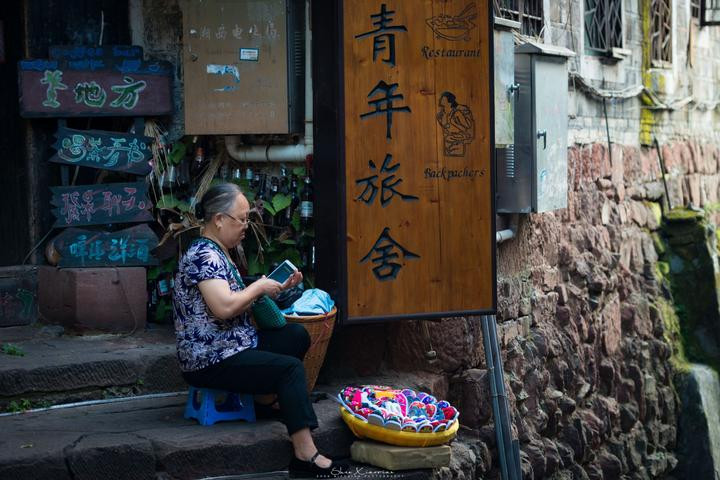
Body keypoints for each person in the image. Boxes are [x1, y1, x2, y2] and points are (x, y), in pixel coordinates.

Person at [172, 183, 340, 478]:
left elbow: (239, 304)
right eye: (242, 219)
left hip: (232, 344)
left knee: (296, 335)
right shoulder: (204, 255)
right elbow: (224, 308)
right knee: (288, 370)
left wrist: (274, 289)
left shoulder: (218, 251)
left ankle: (263, 402)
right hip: (210, 358)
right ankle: (305, 454)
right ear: (219, 219)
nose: (246, 226)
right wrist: (259, 286)